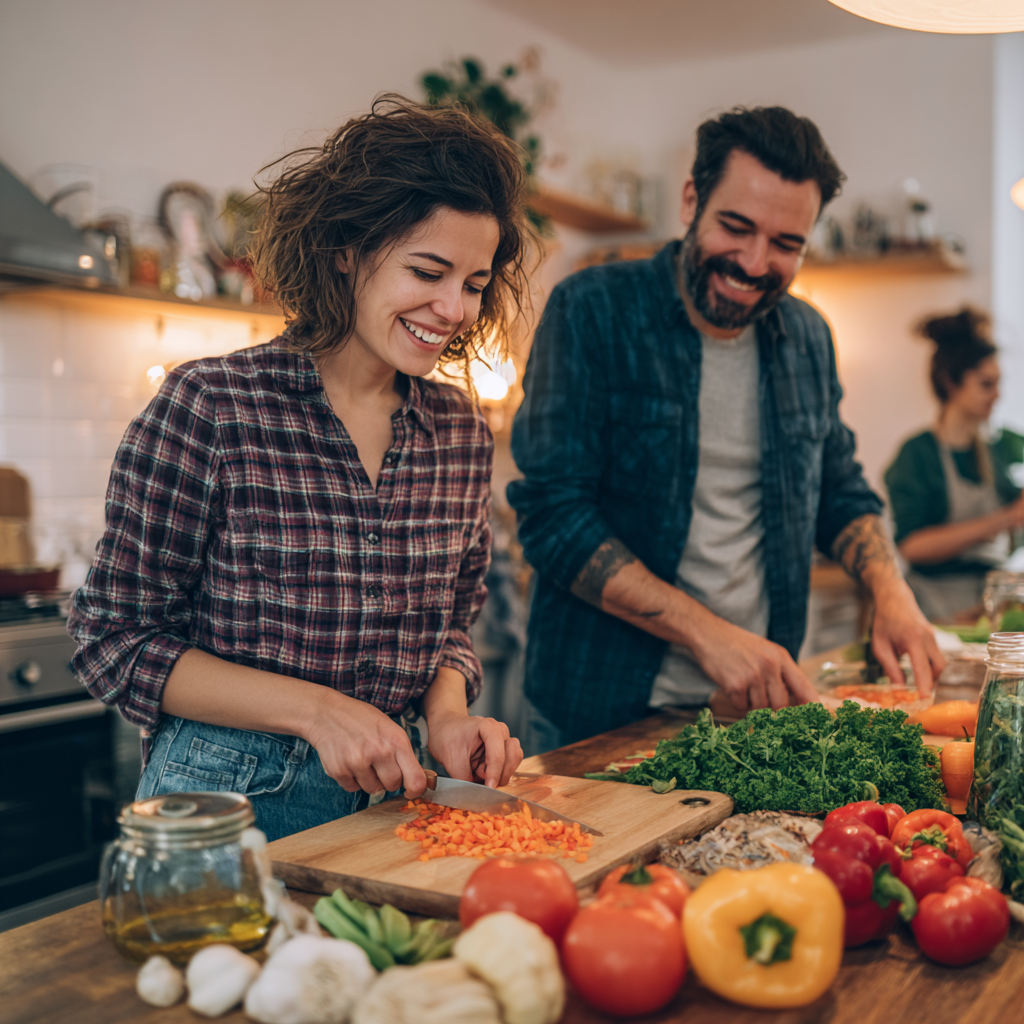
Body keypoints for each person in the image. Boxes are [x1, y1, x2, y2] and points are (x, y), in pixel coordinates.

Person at [69, 97, 527, 840]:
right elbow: (112, 640)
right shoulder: (213, 405)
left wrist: (448, 717)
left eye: (474, 284)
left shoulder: (460, 432)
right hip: (223, 813)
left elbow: (450, 625)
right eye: (428, 271)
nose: (453, 309)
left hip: (391, 808)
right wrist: (319, 711)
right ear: (346, 248)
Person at [508, 106, 944, 753]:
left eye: (786, 244)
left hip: (754, 714)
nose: (754, 262)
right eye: (736, 228)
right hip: (599, 712)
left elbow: (839, 489)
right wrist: (706, 633)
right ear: (691, 200)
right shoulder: (592, 309)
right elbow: (553, 518)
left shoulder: (807, 338)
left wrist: (892, 590)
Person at [885, 308, 1024, 620]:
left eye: (998, 383)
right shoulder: (917, 455)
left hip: (992, 604)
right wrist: (1004, 519)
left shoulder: (1003, 448)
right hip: (935, 607)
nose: (997, 395)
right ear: (951, 381)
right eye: (986, 384)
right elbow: (911, 546)